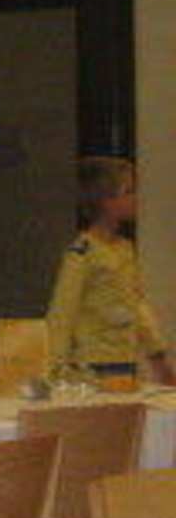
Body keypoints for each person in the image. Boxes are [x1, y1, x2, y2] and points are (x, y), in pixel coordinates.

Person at [45, 156, 172, 385]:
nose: (135, 198)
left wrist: (157, 353)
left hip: (125, 361)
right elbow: (62, 314)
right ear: (106, 200)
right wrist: (55, 367)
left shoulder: (125, 249)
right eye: (128, 192)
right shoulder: (82, 252)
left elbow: (136, 303)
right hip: (91, 366)